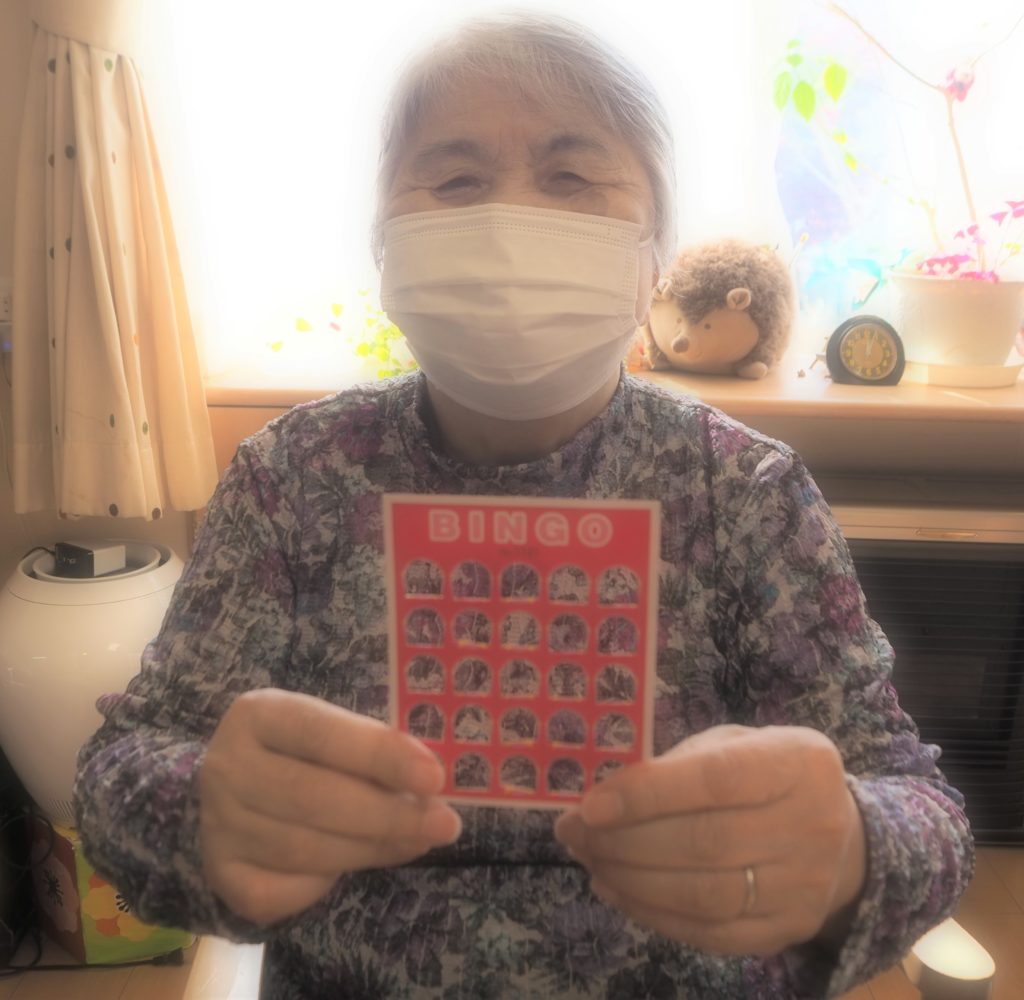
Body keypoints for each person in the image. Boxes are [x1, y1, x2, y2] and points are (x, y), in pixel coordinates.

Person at [74, 11, 973, 999]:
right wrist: (201, 809)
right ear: (383, 246)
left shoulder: (745, 492)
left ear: (654, 257)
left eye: (572, 177)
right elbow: (121, 770)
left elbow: (919, 806)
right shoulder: (290, 477)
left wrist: (847, 849)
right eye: (455, 180)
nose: (507, 218)